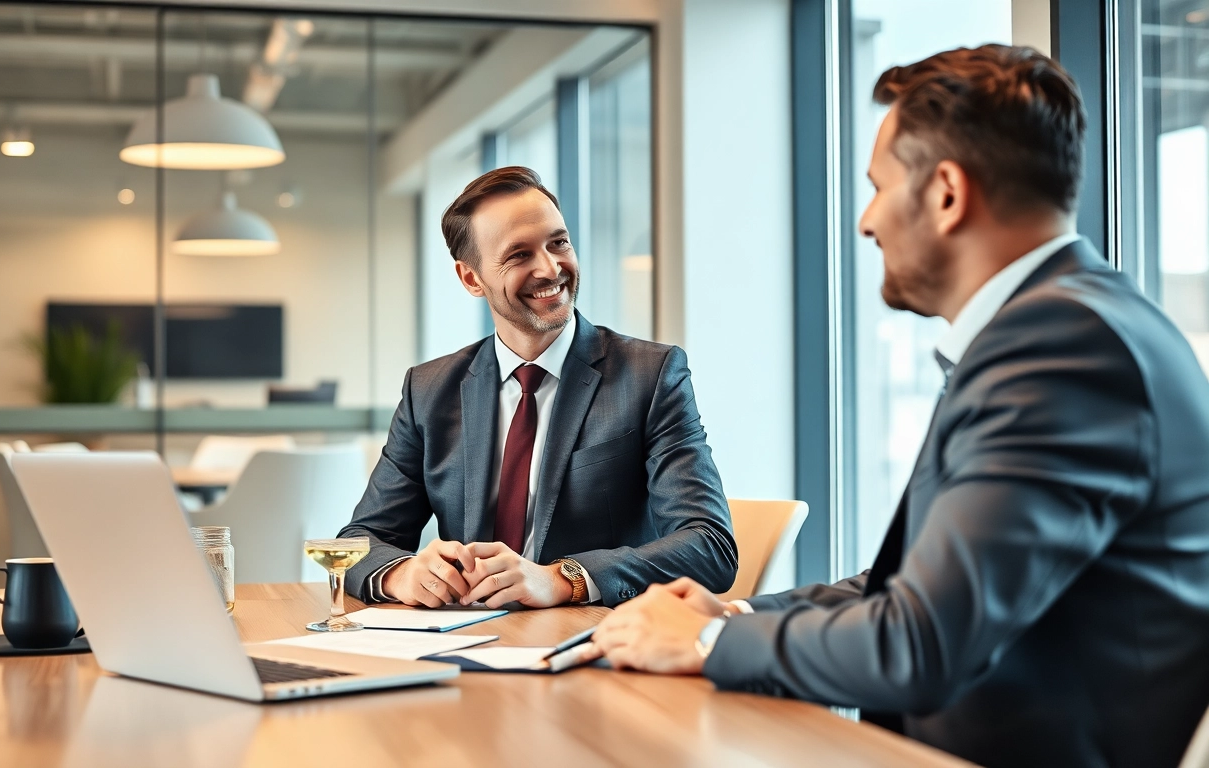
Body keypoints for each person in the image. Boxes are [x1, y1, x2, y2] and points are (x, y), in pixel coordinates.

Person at [592, 45, 1209, 768]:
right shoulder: (1069, 323)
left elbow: (922, 642)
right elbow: (908, 590)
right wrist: (730, 615)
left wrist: (705, 644)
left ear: (946, 193)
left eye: (878, 187)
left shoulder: (1060, 349)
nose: (865, 221)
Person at [338, 166, 737, 609]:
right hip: (462, 643)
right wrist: (402, 573)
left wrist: (563, 579)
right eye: (519, 255)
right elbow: (361, 540)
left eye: (558, 242)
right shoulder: (429, 390)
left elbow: (709, 546)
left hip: (590, 643)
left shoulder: (651, 375)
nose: (550, 268)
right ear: (472, 278)